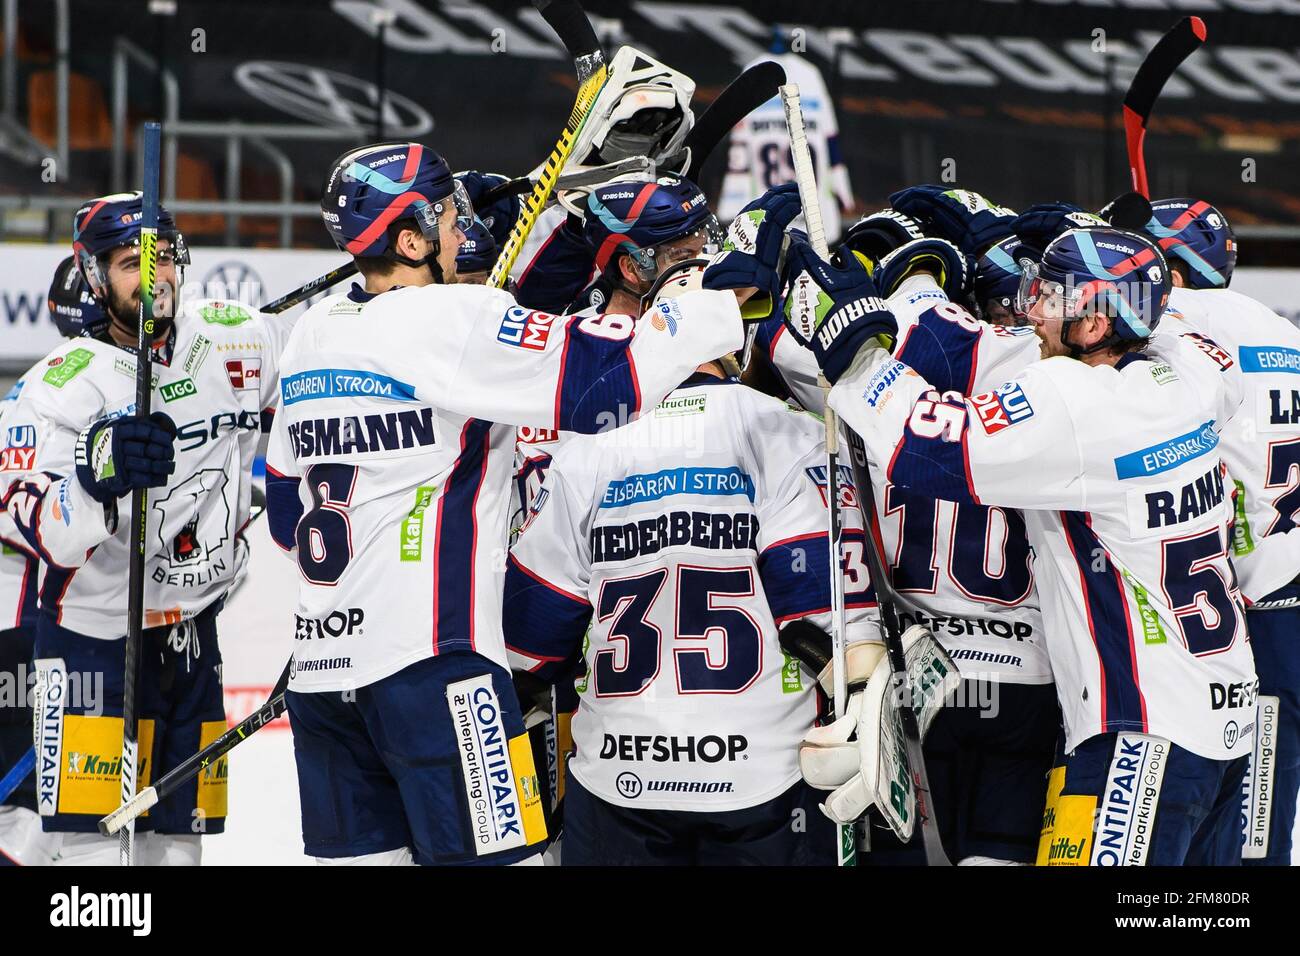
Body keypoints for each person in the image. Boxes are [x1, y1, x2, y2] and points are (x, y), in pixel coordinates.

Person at [264, 141, 785, 865]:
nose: (463, 229)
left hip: (324, 686)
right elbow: (609, 382)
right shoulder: (446, 320)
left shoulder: (311, 339)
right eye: (448, 216)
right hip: (437, 674)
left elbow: (289, 522)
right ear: (411, 238)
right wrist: (714, 300)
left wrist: (569, 239)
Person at [782, 204, 1256, 865]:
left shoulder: (1080, 403)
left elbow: (928, 446)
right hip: (1228, 722)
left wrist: (858, 350)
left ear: (1094, 321)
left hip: (1142, 735)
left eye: (1050, 296)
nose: (1032, 312)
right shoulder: (1191, 370)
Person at [502, 194, 878, 862]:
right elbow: (822, 626)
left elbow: (531, 644)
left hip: (618, 784)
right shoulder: (785, 432)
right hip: (760, 781)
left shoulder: (586, 447)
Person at [752, 205, 1059, 865]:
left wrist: (778, 245)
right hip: (1027, 680)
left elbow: (765, 332)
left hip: (918, 680)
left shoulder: (847, 361)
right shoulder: (1031, 361)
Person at [0, 195, 285, 865]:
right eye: (132, 263)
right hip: (92, 646)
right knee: (85, 847)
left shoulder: (233, 337)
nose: (154, 278)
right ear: (94, 277)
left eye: (163, 259)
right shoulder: (59, 387)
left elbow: (332, 364)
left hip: (191, 640)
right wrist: (98, 474)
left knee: (178, 844)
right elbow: (34, 522)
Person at [1143, 198, 1300, 865]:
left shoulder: (1176, 326)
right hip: (1288, 593)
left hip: (1234, 613)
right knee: (1266, 822)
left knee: (1216, 825)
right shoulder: (1283, 331)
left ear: (1169, 270)